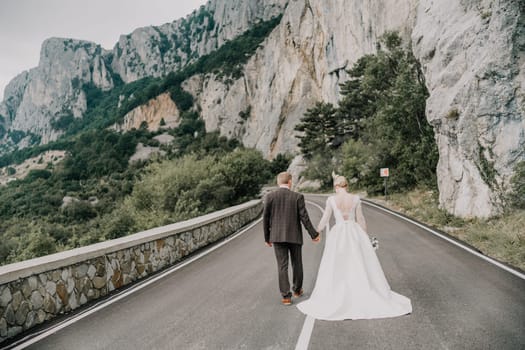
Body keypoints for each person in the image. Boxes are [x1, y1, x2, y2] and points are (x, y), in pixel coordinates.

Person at [297, 175, 412, 320]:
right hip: (353, 231)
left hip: (338, 233)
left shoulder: (331, 200)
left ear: (336, 186)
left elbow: (325, 218)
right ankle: (361, 289)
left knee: (337, 264)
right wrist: (365, 236)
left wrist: (316, 232)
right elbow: (361, 219)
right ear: (347, 185)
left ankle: (338, 291)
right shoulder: (356, 198)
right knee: (359, 262)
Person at [263, 172, 321, 305]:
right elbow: (304, 218)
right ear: (290, 182)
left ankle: (286, 297)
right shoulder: (297, 197)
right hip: (294, 235)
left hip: (277, 236)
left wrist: (267, 237)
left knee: (282, 266)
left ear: (278, 183)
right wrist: (314, 234)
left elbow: (265, 218)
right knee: (297, 263)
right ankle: (297, 290)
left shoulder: (270, 196)